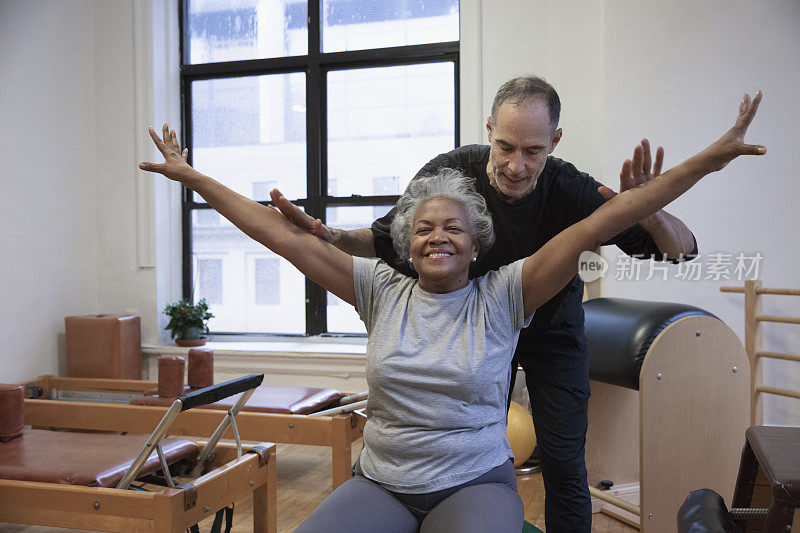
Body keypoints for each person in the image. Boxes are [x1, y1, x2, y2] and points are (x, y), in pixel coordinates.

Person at [139, 91, 763, 533]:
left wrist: (709, 158)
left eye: (454, 229)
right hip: (382, 481)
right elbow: (278, 235)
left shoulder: (505, 293)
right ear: (406, 243)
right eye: (425, 229)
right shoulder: (380, 288)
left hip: (476, 475)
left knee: (565, 461)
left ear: (477, 242)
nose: (438, 237)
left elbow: (610, 221)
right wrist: (193, 177)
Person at [272, 76, 699, 531]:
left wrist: (648, 207)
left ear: (554, 142)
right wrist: (330, 237)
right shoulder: (451, 173)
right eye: (505, 146)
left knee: (564, 463)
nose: (516, 165)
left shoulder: (572, 189)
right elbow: (385, 238)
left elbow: (683, 250)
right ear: (489, 128)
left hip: (551, 331)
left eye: (532, 151)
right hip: (476, 328)